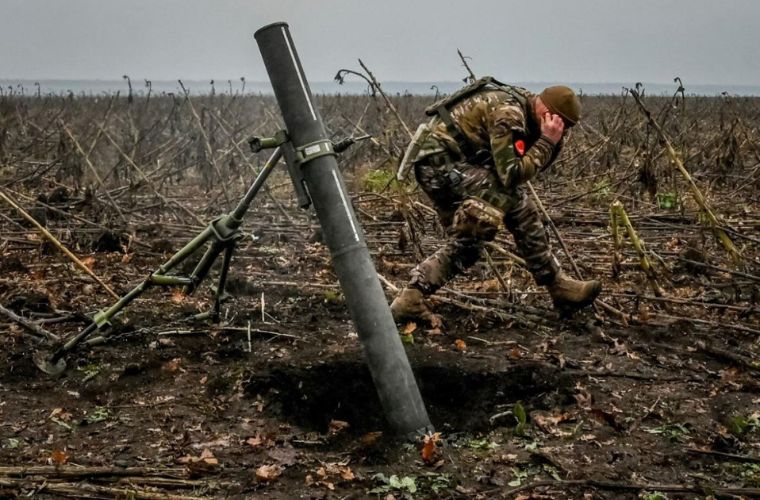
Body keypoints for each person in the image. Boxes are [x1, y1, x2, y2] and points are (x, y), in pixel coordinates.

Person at [391, 77, 601, 323]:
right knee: (517, 203)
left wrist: (549, 142)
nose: (560, 130)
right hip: (440, 165)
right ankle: (557, 285)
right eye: (560, 123)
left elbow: (522, 167)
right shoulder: (509, 114)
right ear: (546, 111)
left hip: (451, 164)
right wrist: (546, 141)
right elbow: (511, 175)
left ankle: (411, 299)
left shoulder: (527, 106)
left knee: (469, 244)